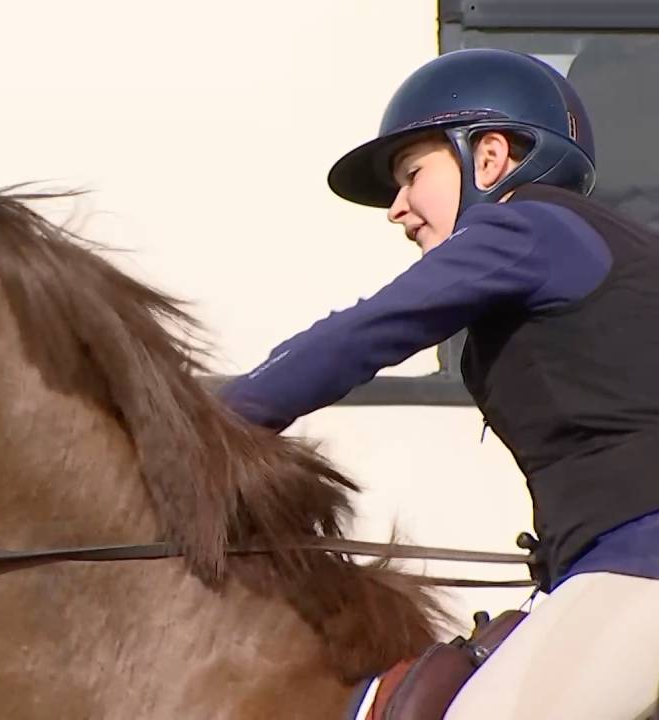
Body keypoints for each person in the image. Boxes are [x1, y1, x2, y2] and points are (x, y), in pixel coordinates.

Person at [218, 48, 659, 719]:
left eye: (411, 175)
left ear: (488, 158)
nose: (398, 209)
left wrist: (208, 424)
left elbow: (365, 331)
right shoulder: (577, 245)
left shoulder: (528, 226)